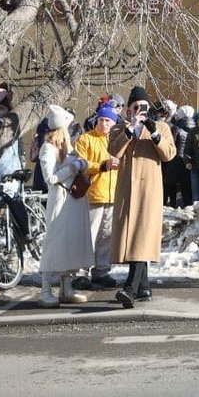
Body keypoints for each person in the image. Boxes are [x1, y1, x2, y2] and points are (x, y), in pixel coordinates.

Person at [110, 86, 177, 308]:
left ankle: (130, 288)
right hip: (127, 190)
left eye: (143, 107)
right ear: (129, 108)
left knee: (142, 235)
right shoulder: (120, 127)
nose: (139, 110)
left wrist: (154, 133)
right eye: (135, 106)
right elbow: (114, 151)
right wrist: (130, 129)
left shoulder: (161, 127)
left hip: (149, 190)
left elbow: (169, 154)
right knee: (135, 236)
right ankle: (143, 287)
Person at [36, 105, 93, 307]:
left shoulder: (68, 147)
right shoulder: (47, 148)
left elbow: (79, 161)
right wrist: (71, 168)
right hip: (60, 200)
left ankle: (66, 289)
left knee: (70, 243)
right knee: (55, 242)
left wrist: (82, 164)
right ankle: (45, 290)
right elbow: (50, 178)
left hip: (73, 200)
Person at [72, 103, 121, 290]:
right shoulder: (86, 139)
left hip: (112, 194)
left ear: (114, 123)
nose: (103, 123)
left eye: (107, 120)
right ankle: (80, 273)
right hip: (93, 193)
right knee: (89, 235)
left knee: (106, 236)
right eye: (101, 119)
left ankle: (101, 271)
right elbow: (81, 163)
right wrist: (103, 164)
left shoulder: (116, 140)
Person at [164, 105, 194, 207]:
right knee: (186, 190)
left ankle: (171, 208)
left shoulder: (175, 128)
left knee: (171, 189)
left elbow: (171, 145)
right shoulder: (195, 127)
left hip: (174, 162)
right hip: (188, 163)